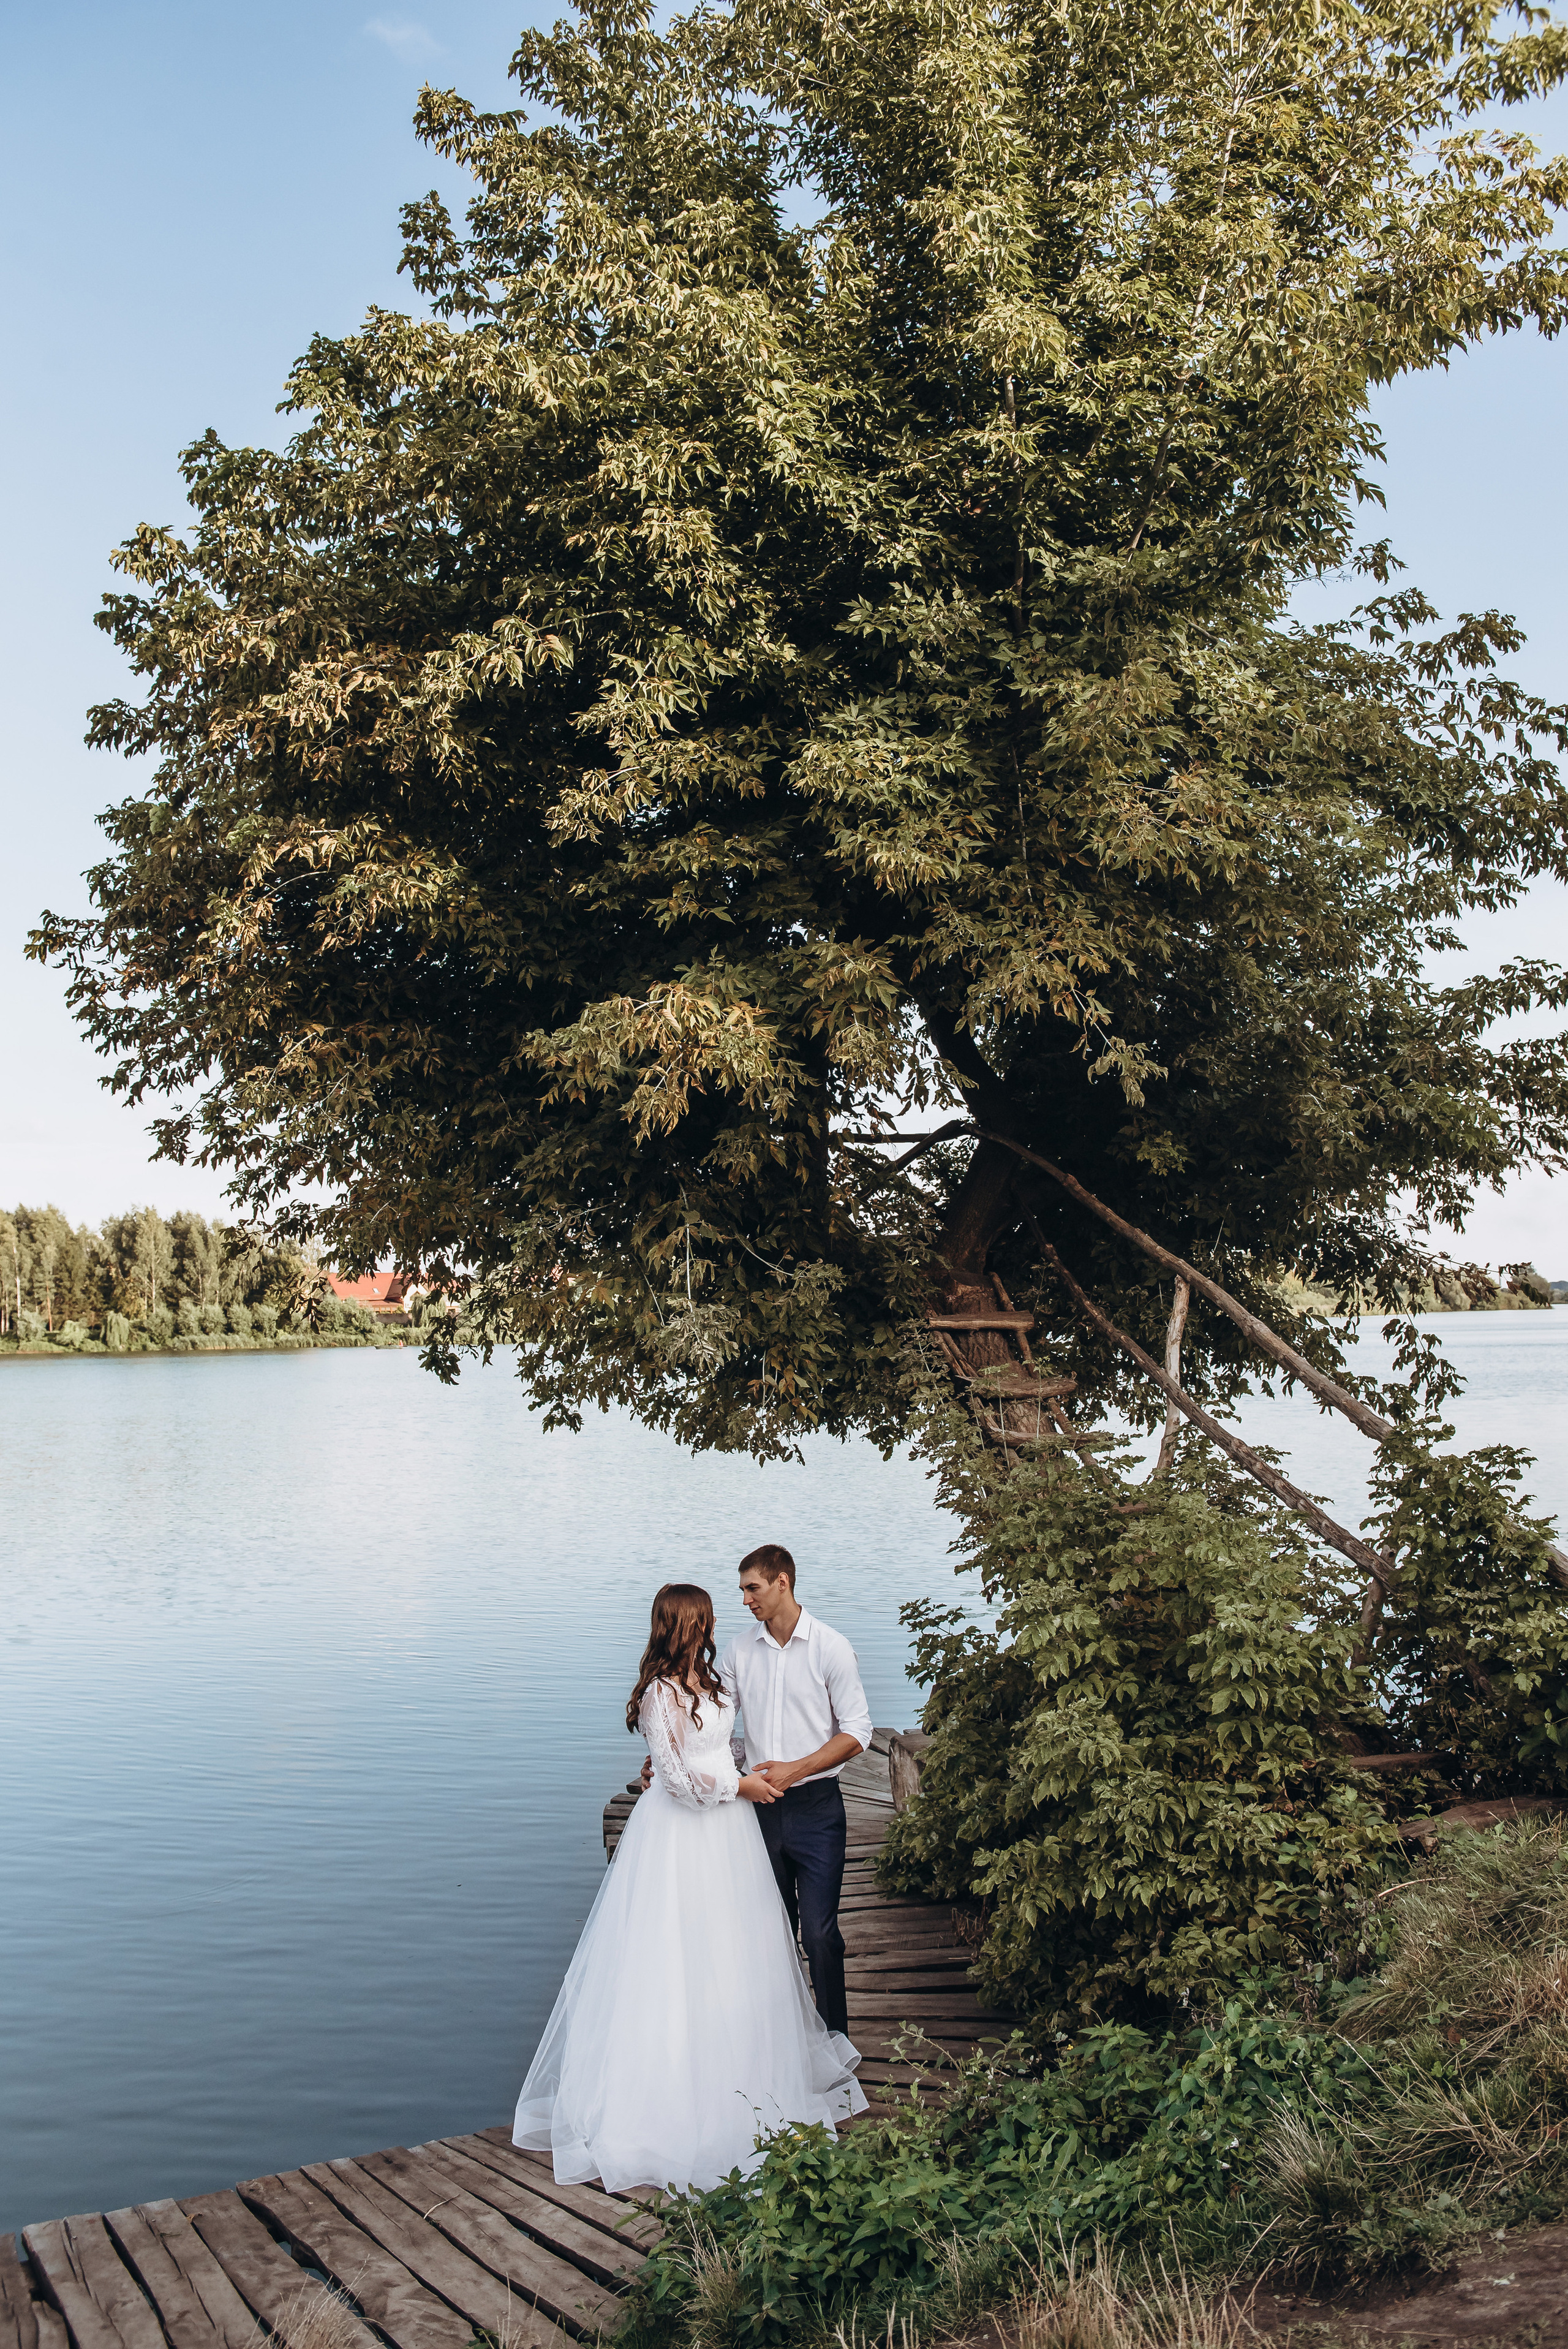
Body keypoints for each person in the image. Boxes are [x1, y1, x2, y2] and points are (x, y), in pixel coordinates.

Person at [511, 1582, 865, 2193]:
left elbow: (714, 1750)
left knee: (735, 1949)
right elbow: (674, 1779)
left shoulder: (714, 1682)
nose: (710, 1628)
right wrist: (739, 1788)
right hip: (681, 1835)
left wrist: (740, 1773)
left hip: (728, 1836)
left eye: (709, 1620)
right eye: (700, 1621)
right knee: (673, 1952)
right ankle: (672, 2091)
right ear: (679, 1626)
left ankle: (744, 2071)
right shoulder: (658, 1693)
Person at [720, 1544, 874, 2038]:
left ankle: (836, 2044)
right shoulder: (740, 1650)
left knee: (822, 1935)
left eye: (753, 1588)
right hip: (759, 1810)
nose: (746, 1600)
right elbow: (715, 1725)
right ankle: (780, 2045)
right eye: (743, 1590)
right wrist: (670, 1759)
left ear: (782, 1581)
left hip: (816, 1809)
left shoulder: (831, 1647)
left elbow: (858, 1732)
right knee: (772, 1934)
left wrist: (796, 1769)